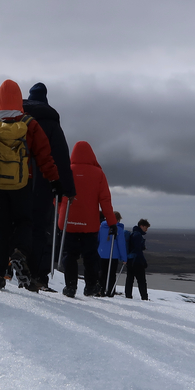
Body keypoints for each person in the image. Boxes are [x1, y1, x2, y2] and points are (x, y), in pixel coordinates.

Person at [0, 79, 61, 292]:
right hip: (22, 183)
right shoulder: (29, 124)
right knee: (23, 222)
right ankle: (19, 251)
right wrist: (54, 179)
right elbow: (45, 156)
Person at [22, 82, 76, 291]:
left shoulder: (17, 119)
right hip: (43, 184)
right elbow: (61, 159)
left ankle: (11, 267)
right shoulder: (52, 124)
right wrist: (68, 190)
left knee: (19, 224)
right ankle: (37, 275)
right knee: (40, 229)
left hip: (15, 181)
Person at [57, 141, 116, 297]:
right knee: (90, 255)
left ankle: (70, 286)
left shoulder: (66, 171)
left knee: (69, 255)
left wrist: (61, 211)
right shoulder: (98, 174)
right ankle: (90, 285)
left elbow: (56, 196)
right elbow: (105, 201)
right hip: (89, 223)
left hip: (68, 221)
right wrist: (112, 222)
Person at [97, 212, 127, 297]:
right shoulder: (118, 229)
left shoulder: (102, 227)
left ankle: (100, 290)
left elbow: (98, 239)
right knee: (111, 274)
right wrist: (124, 258)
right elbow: (121, 245)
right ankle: (110, 291)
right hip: (113, 255)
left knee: (102, 272)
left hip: (101, 254)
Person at [125, 219, 151, 300]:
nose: (146, 229)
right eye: (146, 227)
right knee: (141, 281)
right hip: (137, 261)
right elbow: (138, 250)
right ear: (141, 226)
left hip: (130, 260)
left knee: (130, 279)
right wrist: (144, 261)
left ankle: (128, 296)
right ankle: (144, 297)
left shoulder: (133, 234)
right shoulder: (137, 235)